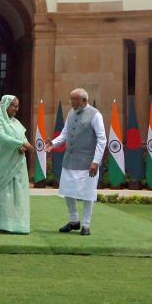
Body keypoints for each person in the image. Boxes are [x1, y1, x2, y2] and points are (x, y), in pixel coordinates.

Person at [47, 88, 106, 235]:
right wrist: (53, 144)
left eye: (75, 100)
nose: (72, 103)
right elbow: (64, 134)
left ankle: (86, 225)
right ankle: (74, 221)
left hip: (88, 162)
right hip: (70, 160)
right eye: (71, 99)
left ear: (84, 100)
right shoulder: (71, 113)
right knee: (68, 191)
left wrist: (96, 162)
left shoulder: (95, 115)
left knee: (88, 193)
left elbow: (102, 140)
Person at [0, 94, 32, 234]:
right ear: (6, 105)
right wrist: (19, 143)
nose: (16, 109)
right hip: (5, 162)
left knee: (18, 193)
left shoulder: (16, 123)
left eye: (18, 106)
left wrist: (23, 146)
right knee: (5, 193)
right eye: (14, 106)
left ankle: (18, 225)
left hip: (18, 163)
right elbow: (1, 137)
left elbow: (23, 137)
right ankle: (3, 224)